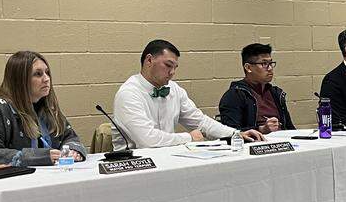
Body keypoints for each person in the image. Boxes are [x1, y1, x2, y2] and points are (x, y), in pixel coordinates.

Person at [113, 39, 263, 150]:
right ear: (149, 60)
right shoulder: (129, 93)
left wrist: (236, 134)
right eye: (168, 65)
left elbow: (201, 122)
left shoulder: (174, 89)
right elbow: (147, 141)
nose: (172, 72)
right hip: (135, 166)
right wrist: (189, 137)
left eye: (175, 67)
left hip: (167, 159)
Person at [0, 50, 87, 166]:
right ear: (20, 80)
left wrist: (73, 151)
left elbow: (70, 137)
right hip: (14, 181)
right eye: (38, 74)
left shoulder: (48, 109)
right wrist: (38, 157)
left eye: (47, 73)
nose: (46, 78)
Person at [218, 43, 295, 134]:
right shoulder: (235, 94)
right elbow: (230, 132)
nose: (270, 68)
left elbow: (290, 128)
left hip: (281, 142)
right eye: (264, 63)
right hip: (253, 144)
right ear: (248, 67)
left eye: (271, 63)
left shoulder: (276, 93)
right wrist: (261, 129)